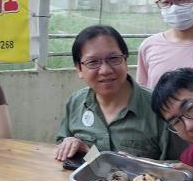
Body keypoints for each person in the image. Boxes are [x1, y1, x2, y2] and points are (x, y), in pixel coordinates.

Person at [54, 25, 184, 164]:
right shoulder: (76, 102)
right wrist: (73, 144)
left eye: (113, 58)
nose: (105, 70)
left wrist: (135, 164)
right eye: (93, 62)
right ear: (79, 69)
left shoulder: (160, 108)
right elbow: (66, 147)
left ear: (125, 60)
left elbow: (181, 166)